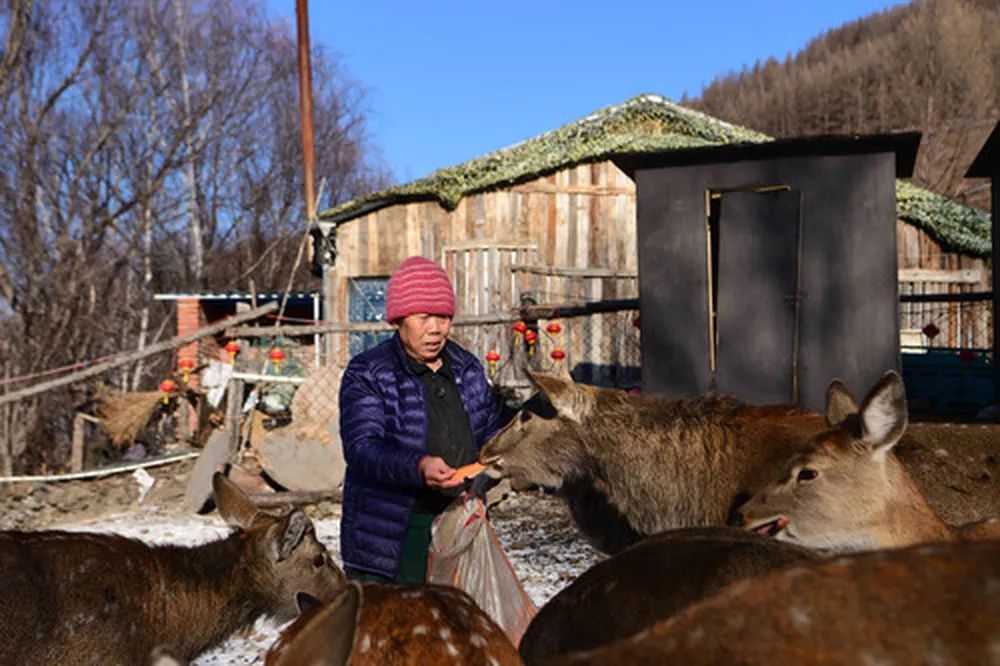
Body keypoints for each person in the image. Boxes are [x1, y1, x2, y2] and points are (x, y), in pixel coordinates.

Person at [338, 255, 502, 583]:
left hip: (458, 520)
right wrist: (419, 465)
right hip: (393, 531)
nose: (436, 329)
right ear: (398, 320)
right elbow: (362, 448)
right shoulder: (369, 371)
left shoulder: (466, 367)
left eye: (444, 317)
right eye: (424, 317)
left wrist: (488, 469)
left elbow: (491, 434)